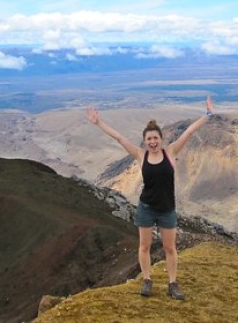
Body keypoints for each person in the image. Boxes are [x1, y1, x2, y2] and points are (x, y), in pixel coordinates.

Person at [86, 96, 214, 300]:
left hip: (167, 209)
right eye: (149, 139)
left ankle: (173, 284)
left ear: (161, 139)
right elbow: (119, 138)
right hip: (146, 208)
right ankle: (147, 280)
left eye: (156, 138)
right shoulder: (140, 155)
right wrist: (98, 122)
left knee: (169, 248)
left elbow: (190, 132)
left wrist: (207, 115)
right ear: (145, 142)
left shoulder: (171, 152)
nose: (153, 142)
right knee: (144, 247)